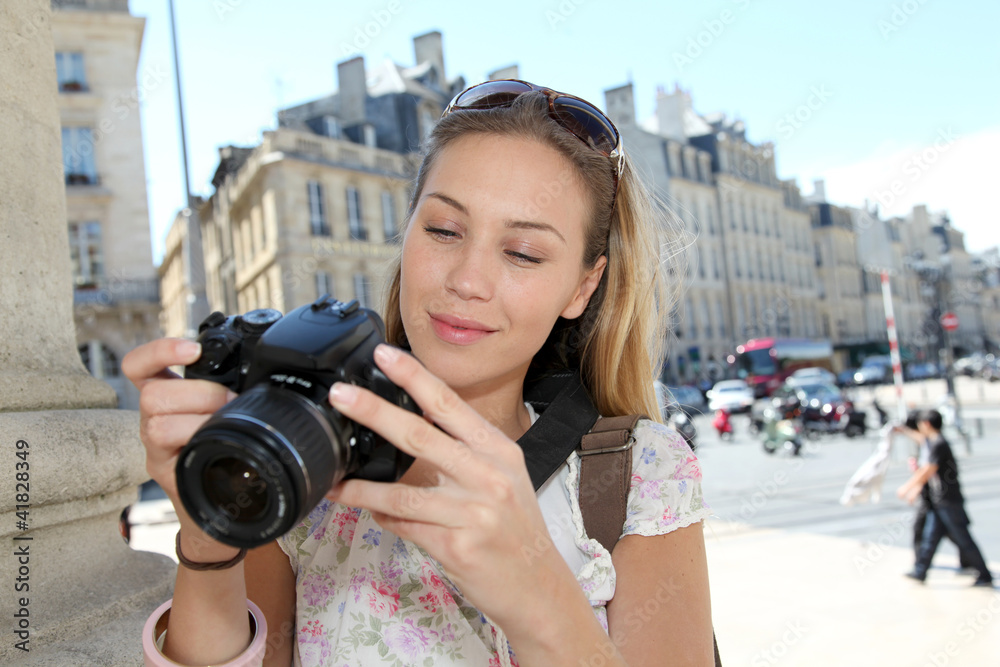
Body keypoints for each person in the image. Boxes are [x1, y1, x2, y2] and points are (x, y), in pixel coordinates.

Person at [125, 80, 716, 666]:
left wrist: (538, 594)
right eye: (443, 230)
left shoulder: (642, 476)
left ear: (582, 287)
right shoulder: (304, 463)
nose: (466, 279)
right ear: (406, 232)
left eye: (523, 253)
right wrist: (210, 534)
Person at [895, 409, 993, 587]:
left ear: (926, 424)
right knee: (930, 537)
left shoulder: (939, 444)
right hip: (939, 500)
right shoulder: (932, 442)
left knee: (962, 538)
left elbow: (928, 469)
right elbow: (920, 441)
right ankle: (920, 571)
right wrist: (904, 430)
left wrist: (908, 487)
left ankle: (984, 574)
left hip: (948, 501)